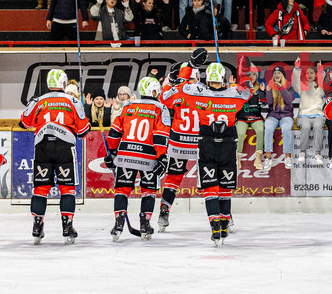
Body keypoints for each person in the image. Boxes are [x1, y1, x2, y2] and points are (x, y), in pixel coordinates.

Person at [176, 62, 251, 244]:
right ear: (223, 78)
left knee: (210, 188)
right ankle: (224, 225)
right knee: (225, 189)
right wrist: (235, 83)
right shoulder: (234, 95)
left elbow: (180, 86)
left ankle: (214, 225)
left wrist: (190, 66)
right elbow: (248, 91)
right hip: (228, 145)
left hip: (207, 144)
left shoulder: (198, 94)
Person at [19, 69, 91, 244]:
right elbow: (84, 130)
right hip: (65, 147)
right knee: (67, 189)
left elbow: (23, 123)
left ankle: (37, 226)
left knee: (40, 189)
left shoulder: (38, 100)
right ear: (64, 83)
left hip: (42, 147)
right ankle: (67, 227)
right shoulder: (72, 100)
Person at [104, 77, 170, 241]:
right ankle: (144, 223)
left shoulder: (127, 106)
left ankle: (118, 223)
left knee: (122, 189)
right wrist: (162, 156)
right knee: (149, 190)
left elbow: (115, 132)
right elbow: (160, 135)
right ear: (154, 91)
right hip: (148, 157)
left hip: (125, 155)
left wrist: (111, 152)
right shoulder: (160, 108)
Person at [157, 61, 202, 232]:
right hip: (199, 141)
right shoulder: (204, 91)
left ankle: (164, 212)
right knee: (212, 179)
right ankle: (224, 216)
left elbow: (163, 100)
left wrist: (172, 81)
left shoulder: (177, 92)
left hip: (179, 142)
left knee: (173, 179)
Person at [293, 58, 327, 165]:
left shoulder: (320, 87)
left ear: (315, 74)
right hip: (304, 116)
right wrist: (297, 68)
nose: (310, 75)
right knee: (306, 126)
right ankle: (302, 152)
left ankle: (318, 154)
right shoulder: (301, 86)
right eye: (307, 73)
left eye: (312, 73)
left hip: (318, 115)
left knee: (317, 126)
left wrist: (321, 70)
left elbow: (322, 78)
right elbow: (295, 82)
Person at [235, 65, 266, 170]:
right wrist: (231, 86)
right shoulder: (239, 87)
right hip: (242, 117)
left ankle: (258, 159)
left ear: (256, 76)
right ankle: (237, 159)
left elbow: (262, 105)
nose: (251, 77)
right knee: (240, 133)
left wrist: (262, 92)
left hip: (255, 116)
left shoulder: (259, 87)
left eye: (253, 74)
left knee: (260, 130)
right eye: (248, 74)